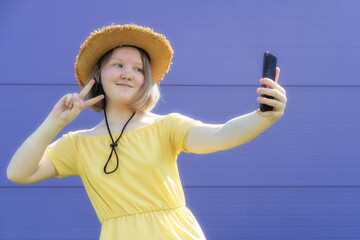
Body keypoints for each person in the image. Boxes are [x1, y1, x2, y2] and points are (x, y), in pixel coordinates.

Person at [7, 24, 287, 239]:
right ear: (98, 76)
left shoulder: (166, 126)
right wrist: (54, 123)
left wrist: (264, 116)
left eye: (138, 69)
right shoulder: (77, 144)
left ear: (146, 81)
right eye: (118, 65)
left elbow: (221, 135)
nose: (127, 73)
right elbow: (18, 173)